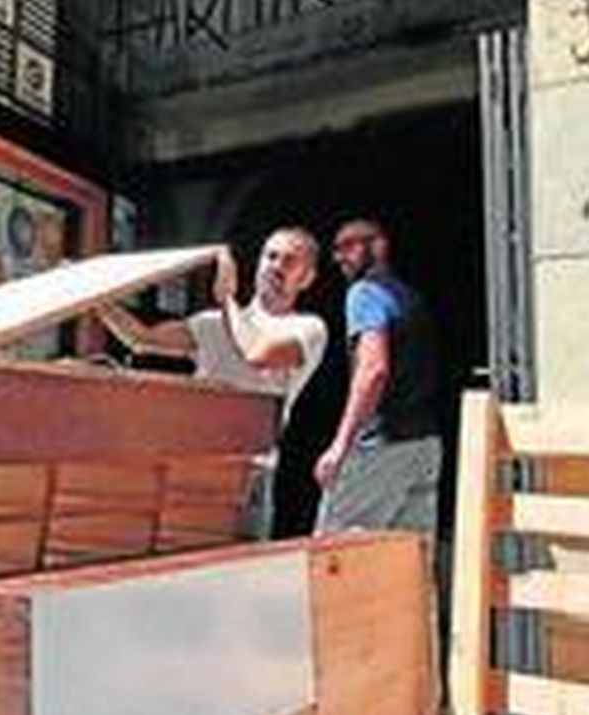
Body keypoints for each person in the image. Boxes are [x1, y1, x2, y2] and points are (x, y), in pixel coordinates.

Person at [96, 228, 328, 538]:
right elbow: (140, 339)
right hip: (193, 464)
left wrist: (228, 300)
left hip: (249, 472)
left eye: (290, 260)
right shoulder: (211, 323)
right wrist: (91, 297)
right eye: (271, 256)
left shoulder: (307, 328)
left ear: (307, 278)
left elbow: (256, 353)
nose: (276, 266)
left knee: (238, 561)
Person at [315, 218, 441, 535]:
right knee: (409, 554)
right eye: (336, 249)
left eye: (349, 246)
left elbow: (373, 370)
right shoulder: (412, 298)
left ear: (379, 246)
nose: (339, 257)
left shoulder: (365, 293)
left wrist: (340, 445)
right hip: (424, 445)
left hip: (379, 447)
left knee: (339, 552)